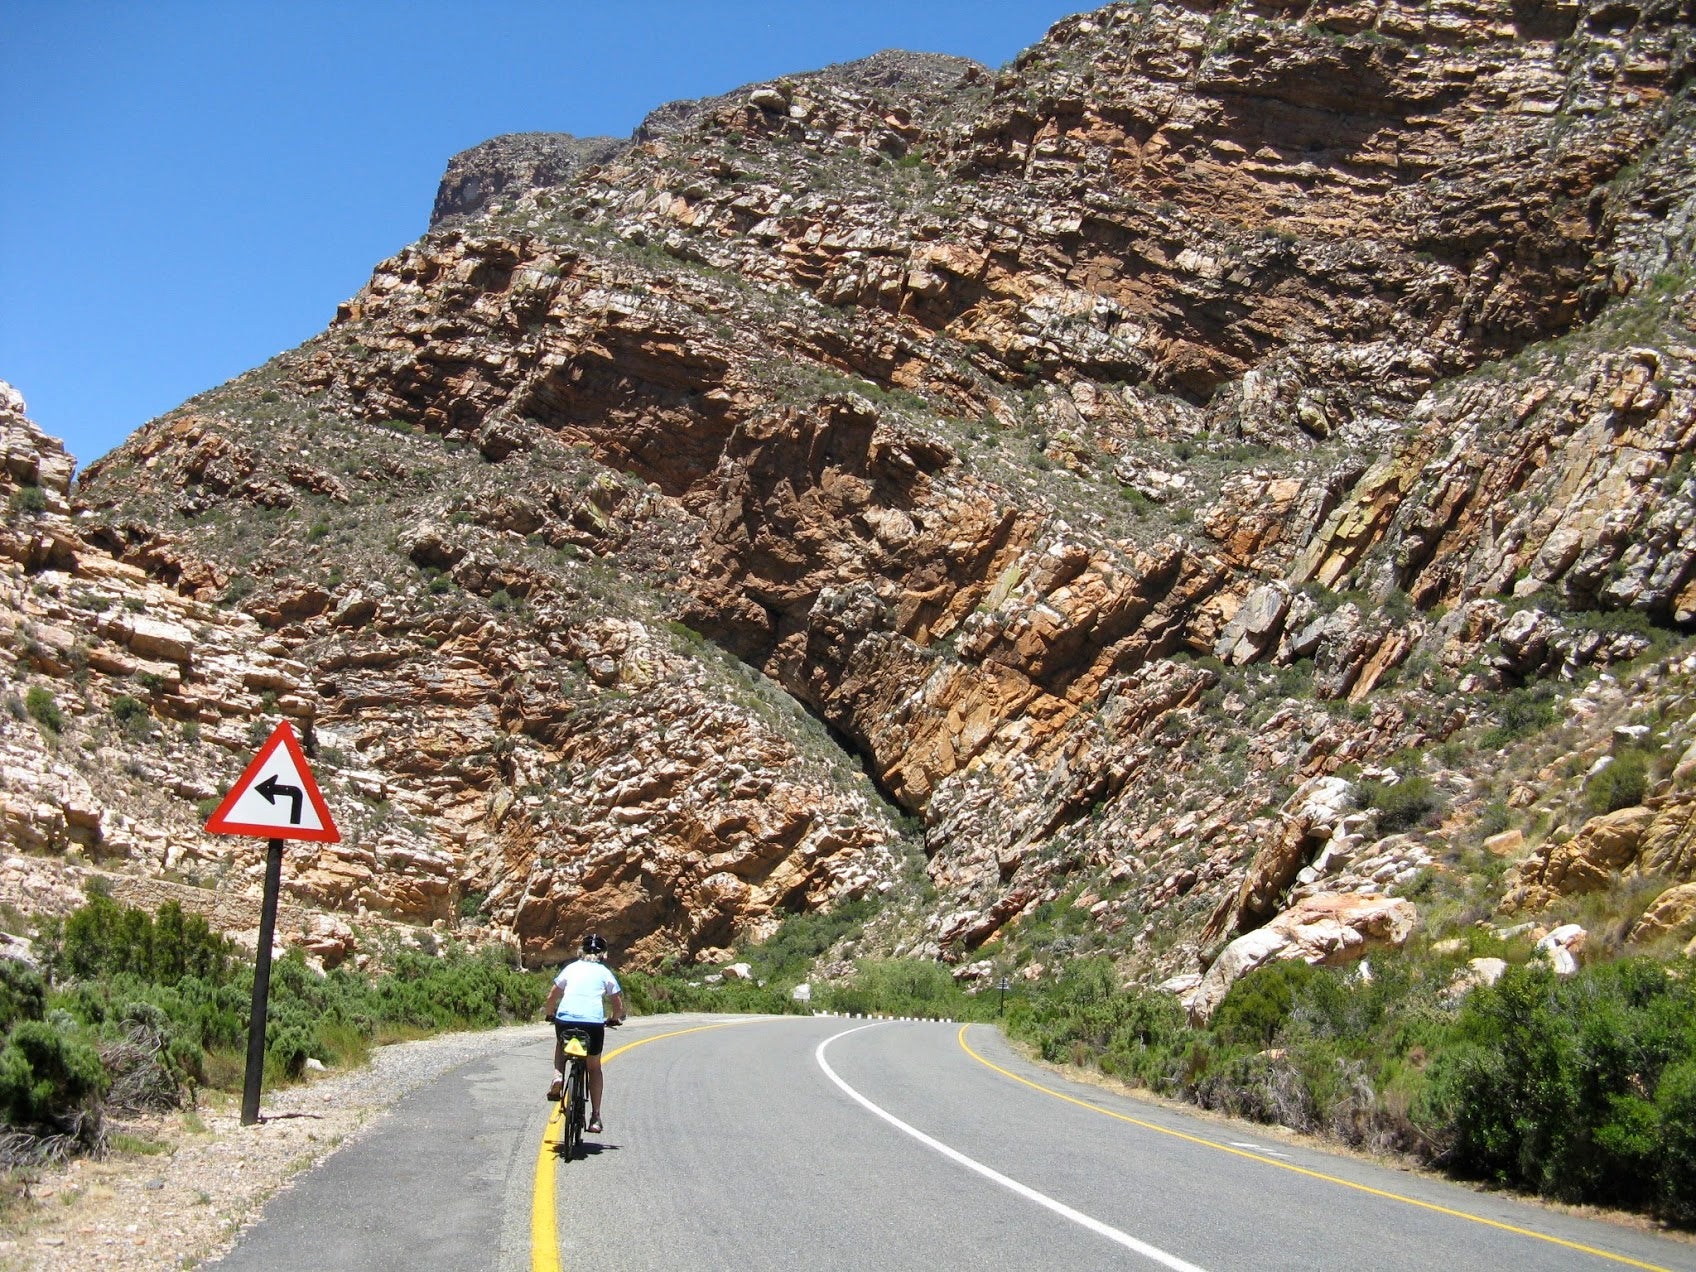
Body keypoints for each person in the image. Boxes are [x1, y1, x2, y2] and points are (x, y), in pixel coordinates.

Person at [542, 933, 626, 1134]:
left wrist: (550, 1013)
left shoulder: (570, 968)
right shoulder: (604, 973)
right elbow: (617, 1003)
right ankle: (595, 1117)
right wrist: (615, 1018)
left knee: (561, 1045)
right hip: (592, 1024)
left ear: (582, 951)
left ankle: (558, 1075)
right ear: (603, 955)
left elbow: (552, 994)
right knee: (594, 1067)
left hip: (566, 1019)